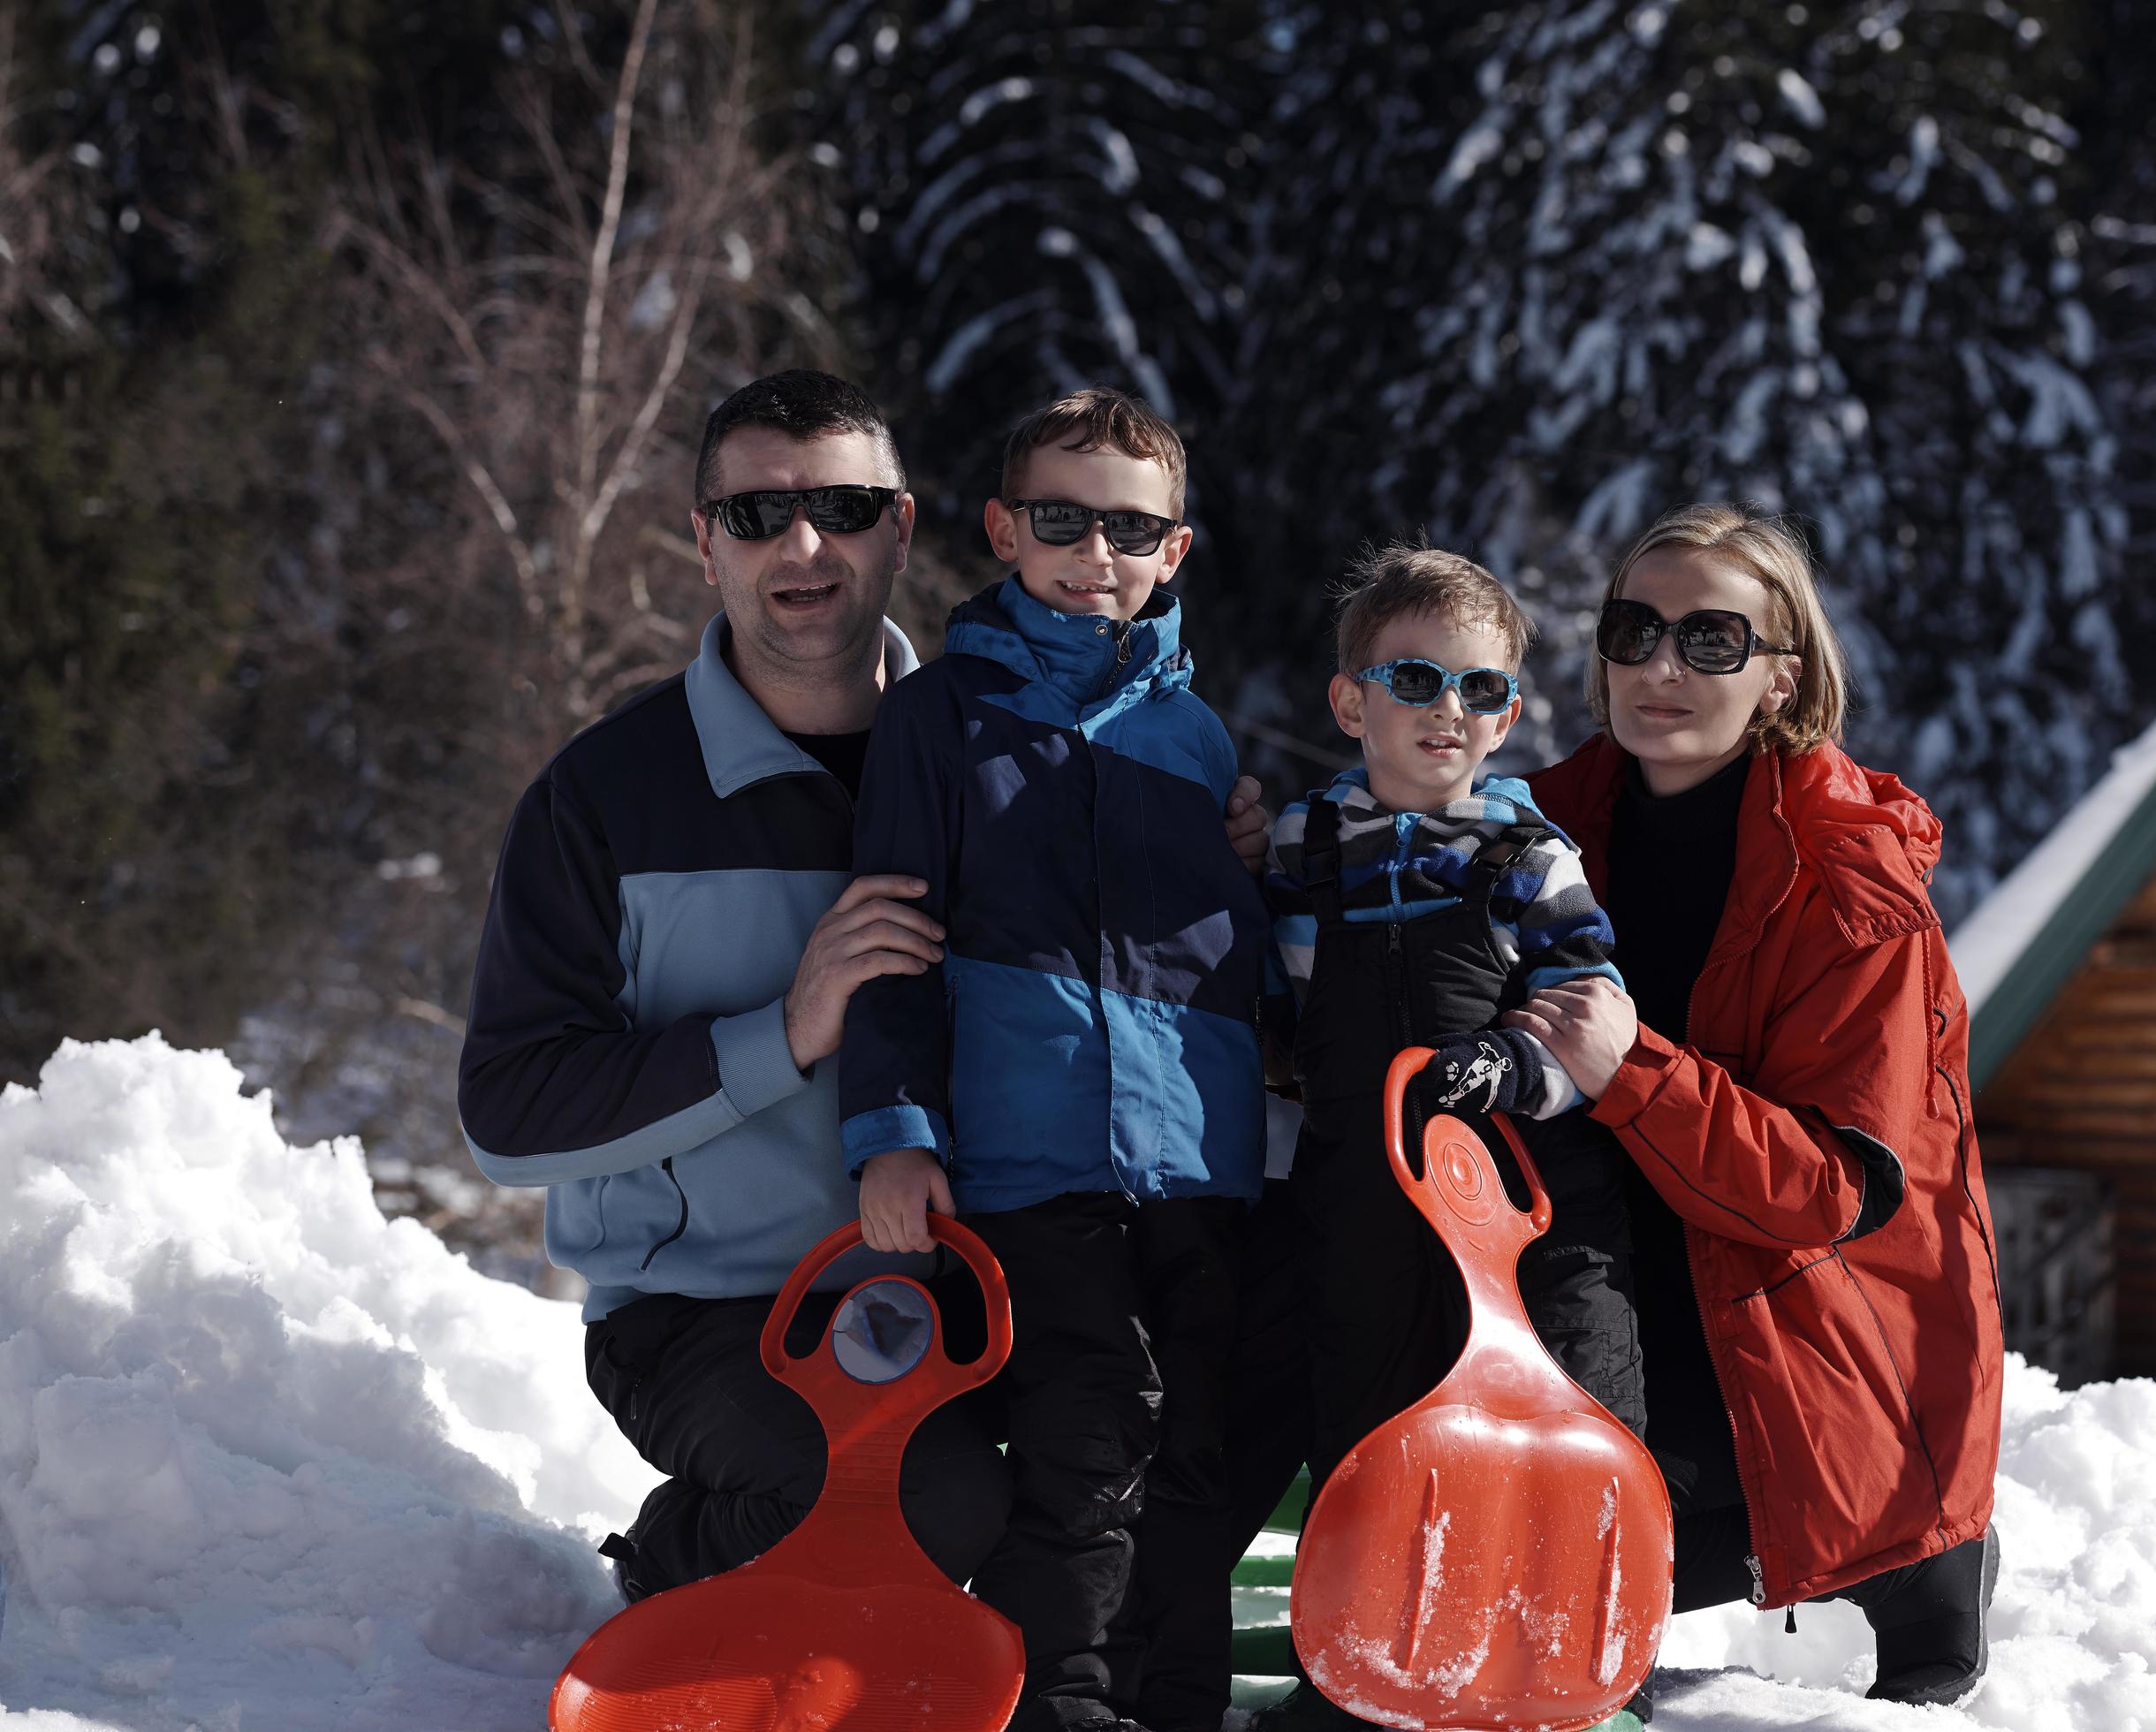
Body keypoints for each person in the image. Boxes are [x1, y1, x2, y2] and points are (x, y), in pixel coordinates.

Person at [456, 370, 1268, 1607]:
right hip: (720, 1315)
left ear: (899, 526)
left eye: (840, 506)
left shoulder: (1008, 739)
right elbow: (511, 1114)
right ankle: (671, 1572)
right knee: (941, 1512)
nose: (801, 544)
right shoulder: (607, 796)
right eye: (754, 514)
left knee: (1182, 1418)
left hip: (987, 1273)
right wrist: (780, 1032)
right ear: (703, 540)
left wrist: (1208, 857)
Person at [1515, 503, 2005, 1706]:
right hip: (1591, 1296)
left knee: (1569, 1598)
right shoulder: (1522, 834)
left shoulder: (1851, 893)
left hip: (1798, 1330)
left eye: (1710, 641)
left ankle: (1919, 1555)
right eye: (1633, 630)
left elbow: (1822, 1194)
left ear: (1781, 677)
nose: (1659, 667)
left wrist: (1632, 1070)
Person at [834, 388, 1270, 1732]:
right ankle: (1050, 1699)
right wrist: (894, 1127)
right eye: (1062, 519)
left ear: (1174, 551)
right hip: (1029, 1164)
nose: (1097, 552)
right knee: (1091, 1429)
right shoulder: (944, 716)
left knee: (1195, 1441)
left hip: (1196, 1162)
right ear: (1003, 529)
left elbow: (1223, 957)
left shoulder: (1195, 741)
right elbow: (892, 934)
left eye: (1129, 528)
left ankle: (1167, 1697)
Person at [1217, 546, 1644, 1732]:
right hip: (1358, 1204)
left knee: (1540, 1431)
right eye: (1415, 681)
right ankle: (1364, 1674)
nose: (1449, 712)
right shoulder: (1303, 854)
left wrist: (1516, 1061)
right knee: (1366, 1432)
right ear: (1351, 702)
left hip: (1518, 1210)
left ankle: (1568, 1679)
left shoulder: (1524, 858)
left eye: (1482, 689)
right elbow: (1268, 1008)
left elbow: (1589, 1002)